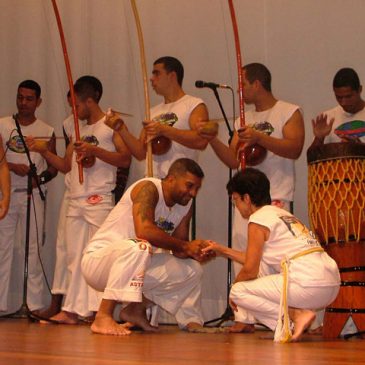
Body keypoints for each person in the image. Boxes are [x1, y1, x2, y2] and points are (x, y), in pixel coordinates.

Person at [198, 62, 305, 332]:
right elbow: (234, 161)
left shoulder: (288, 112)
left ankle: (282, 313)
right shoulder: (242, 121)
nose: (241, 91)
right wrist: (213, 139)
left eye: (243, 84)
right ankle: (244, 317)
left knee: (274, 258)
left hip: (275, 197)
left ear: (257, 83)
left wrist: (259, 137)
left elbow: (294, 149)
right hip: (245, 202)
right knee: (243, 256)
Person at [107, 56, 210, 331]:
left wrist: (165, 129)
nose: (152, 79)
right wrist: (122, 129)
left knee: (181, 248)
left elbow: (201, 139)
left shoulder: (194, 105)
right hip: (154, 191)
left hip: (180, 193)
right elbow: (141, 152)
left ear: (172, 75)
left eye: (156, 73)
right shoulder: (153, 111)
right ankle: (137, 309)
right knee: (147, 250)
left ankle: (190, 316)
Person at [27, 75, 131, 324]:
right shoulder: (78, 128)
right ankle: (72, 310)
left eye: (76, 105)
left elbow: (126, 159)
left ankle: (99, 312)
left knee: (100, 256)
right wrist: (43, 150)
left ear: (88, 100)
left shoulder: (110, 124)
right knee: (74, 257)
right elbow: (65, 165)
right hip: (75, 198)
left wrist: (96, 151)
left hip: (98, 198)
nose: (74, 110)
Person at [203, 168, 340, 342]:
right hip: (330, 284)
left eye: (236, 200)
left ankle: (296, 316)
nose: (236, 207)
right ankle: (290, 323)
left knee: (238, 291)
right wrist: (221, 250)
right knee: (262, 271)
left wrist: (234, 294)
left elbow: (250, 270)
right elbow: (254, 260)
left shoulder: (258, 219)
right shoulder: (280, 214)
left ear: (247, 198)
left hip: (308, 284)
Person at [81, 158, 212, 336]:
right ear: (172, 179)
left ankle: (135, 310)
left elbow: (180, 250)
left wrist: (196, 252)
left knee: (192, 270)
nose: (193, 193)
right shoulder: (148, 188)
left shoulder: (185, 205)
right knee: (140, 247)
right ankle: (102, 316)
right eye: (189, 186)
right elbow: (144, 231)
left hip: (136, 264)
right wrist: (186, 246)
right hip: (98, 263)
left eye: (197, 188)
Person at [0, 80, 58, 313]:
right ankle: (1, 304)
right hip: (6, 195)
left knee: (33, 249)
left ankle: (34, 305)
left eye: (29, 99)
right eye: (20, 97)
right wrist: (13, 168)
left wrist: (39, 178)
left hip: (32, 195)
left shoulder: (47, 130)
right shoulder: (3, 126)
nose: (23, 103)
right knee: (3, 248)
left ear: (38, 102)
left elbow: (54, 167)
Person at [310, 67, 365, 148]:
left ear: (360, 90)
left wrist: (359, 148)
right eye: (339, 97)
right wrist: (319, 138)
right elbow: (313, 158)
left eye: (348, 96)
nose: (343, 102)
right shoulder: (328, 119)